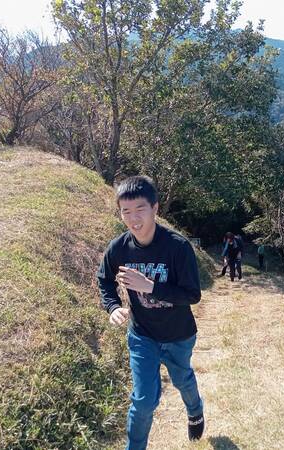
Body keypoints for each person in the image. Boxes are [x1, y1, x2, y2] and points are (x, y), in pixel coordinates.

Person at [97, 176, 204, 450]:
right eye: (126, 211)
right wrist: (113, 306)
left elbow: (192, 295)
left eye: (140, 209)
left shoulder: (178, 247)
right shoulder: (119, 248)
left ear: (155, 208)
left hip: (179, 335)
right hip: (142, 335)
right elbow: (104, 279)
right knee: (143, 400)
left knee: (182, 380)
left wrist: (150, 287)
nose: (133, 219)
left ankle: (195, 411)